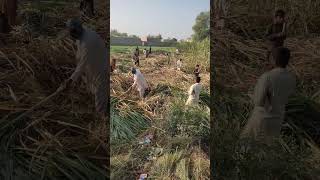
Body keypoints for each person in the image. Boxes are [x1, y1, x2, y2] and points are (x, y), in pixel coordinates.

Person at [241, 47, 296, 144]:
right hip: (278, 119)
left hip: (262, 119)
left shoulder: (267, 77)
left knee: (246, 146)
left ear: (273, 59)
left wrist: (251, 95)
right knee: (268, 149)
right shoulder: (291, 78)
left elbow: (259, 102)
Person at [59, 18, 108, 117]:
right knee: (93, 86)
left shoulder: (87, 42)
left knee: (100, 90)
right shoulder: (82, 33)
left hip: (100, 65)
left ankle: (101, 116)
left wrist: (71, 80)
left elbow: (82, 64)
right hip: (92, 62)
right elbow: (80, 56)